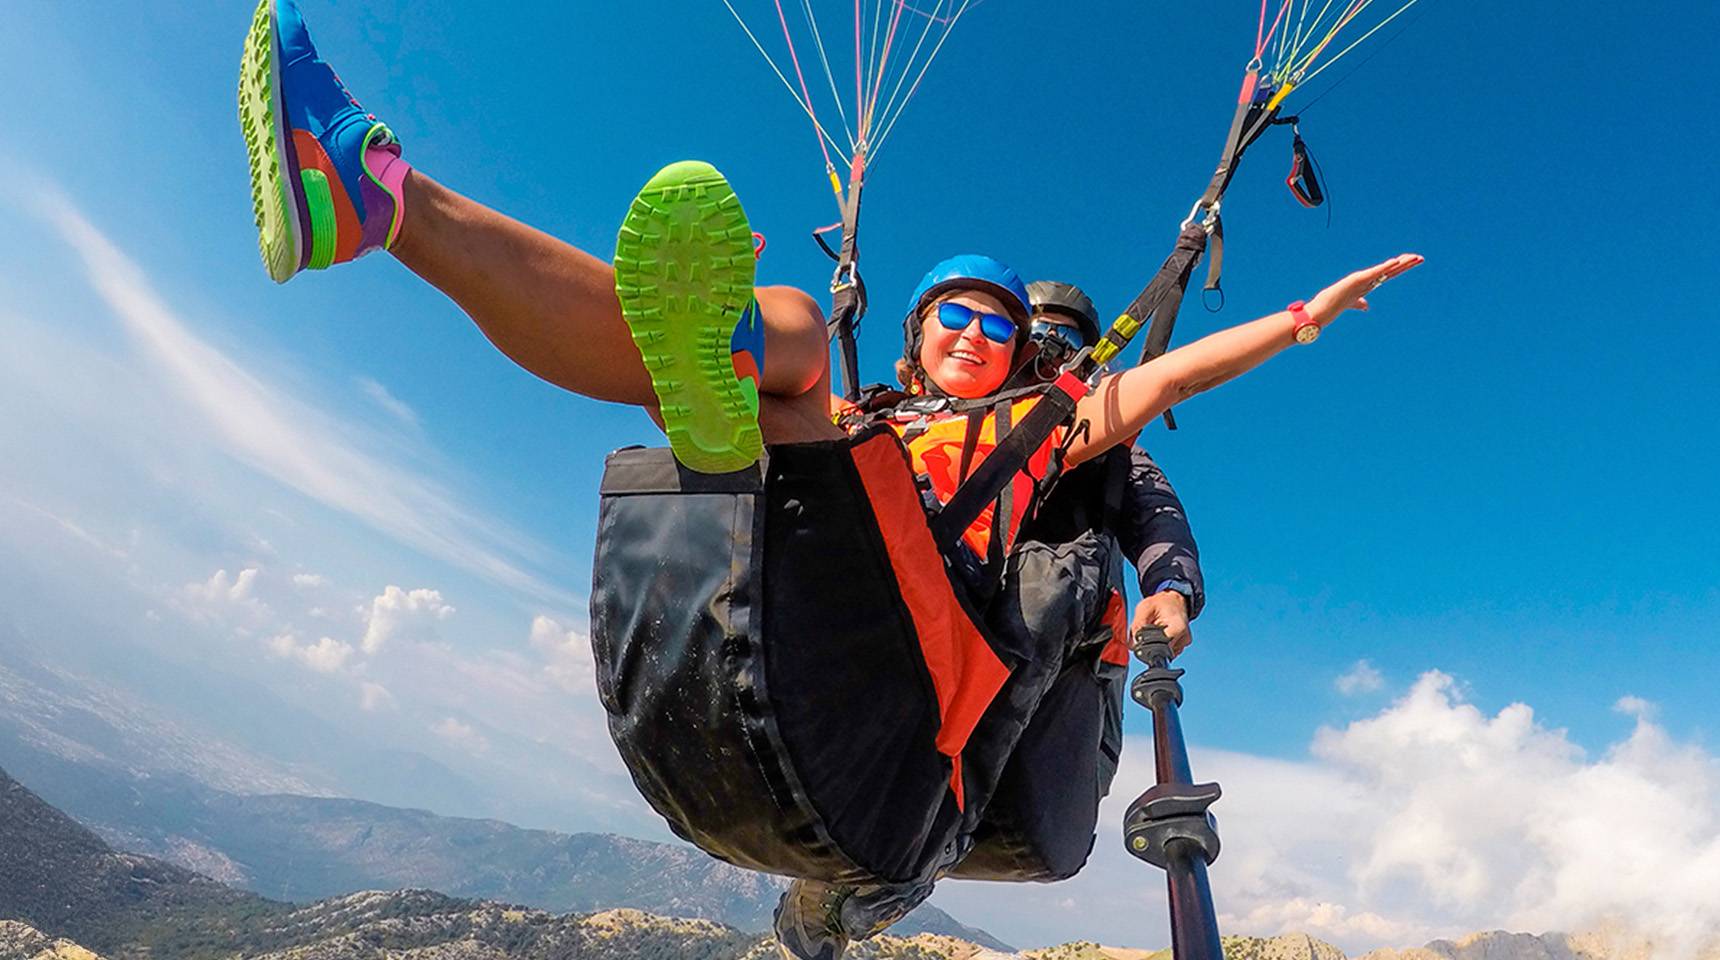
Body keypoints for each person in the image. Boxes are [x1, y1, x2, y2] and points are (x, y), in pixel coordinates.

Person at [239, 4, 1421, 958]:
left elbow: (1159, 387)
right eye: (953, 313)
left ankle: (683, 355)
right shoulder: (877, 409)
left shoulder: (1041, 428)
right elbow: (850, 397)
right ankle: (385, 204)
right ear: (919, 335)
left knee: (796, 365)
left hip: (912, 635)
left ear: (1020, 356)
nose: (974, 331)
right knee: (792, 349)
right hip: (812, 554)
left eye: (997, 325)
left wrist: (1299, 318)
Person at [1023, 280, 1204, 654]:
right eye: (1039, 332)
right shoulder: (957, 423)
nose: (1053, 346)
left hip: (1076, 649)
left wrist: (1172, 588)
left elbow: (1156, 512)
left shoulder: (1112, 449)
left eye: (1067, 337)